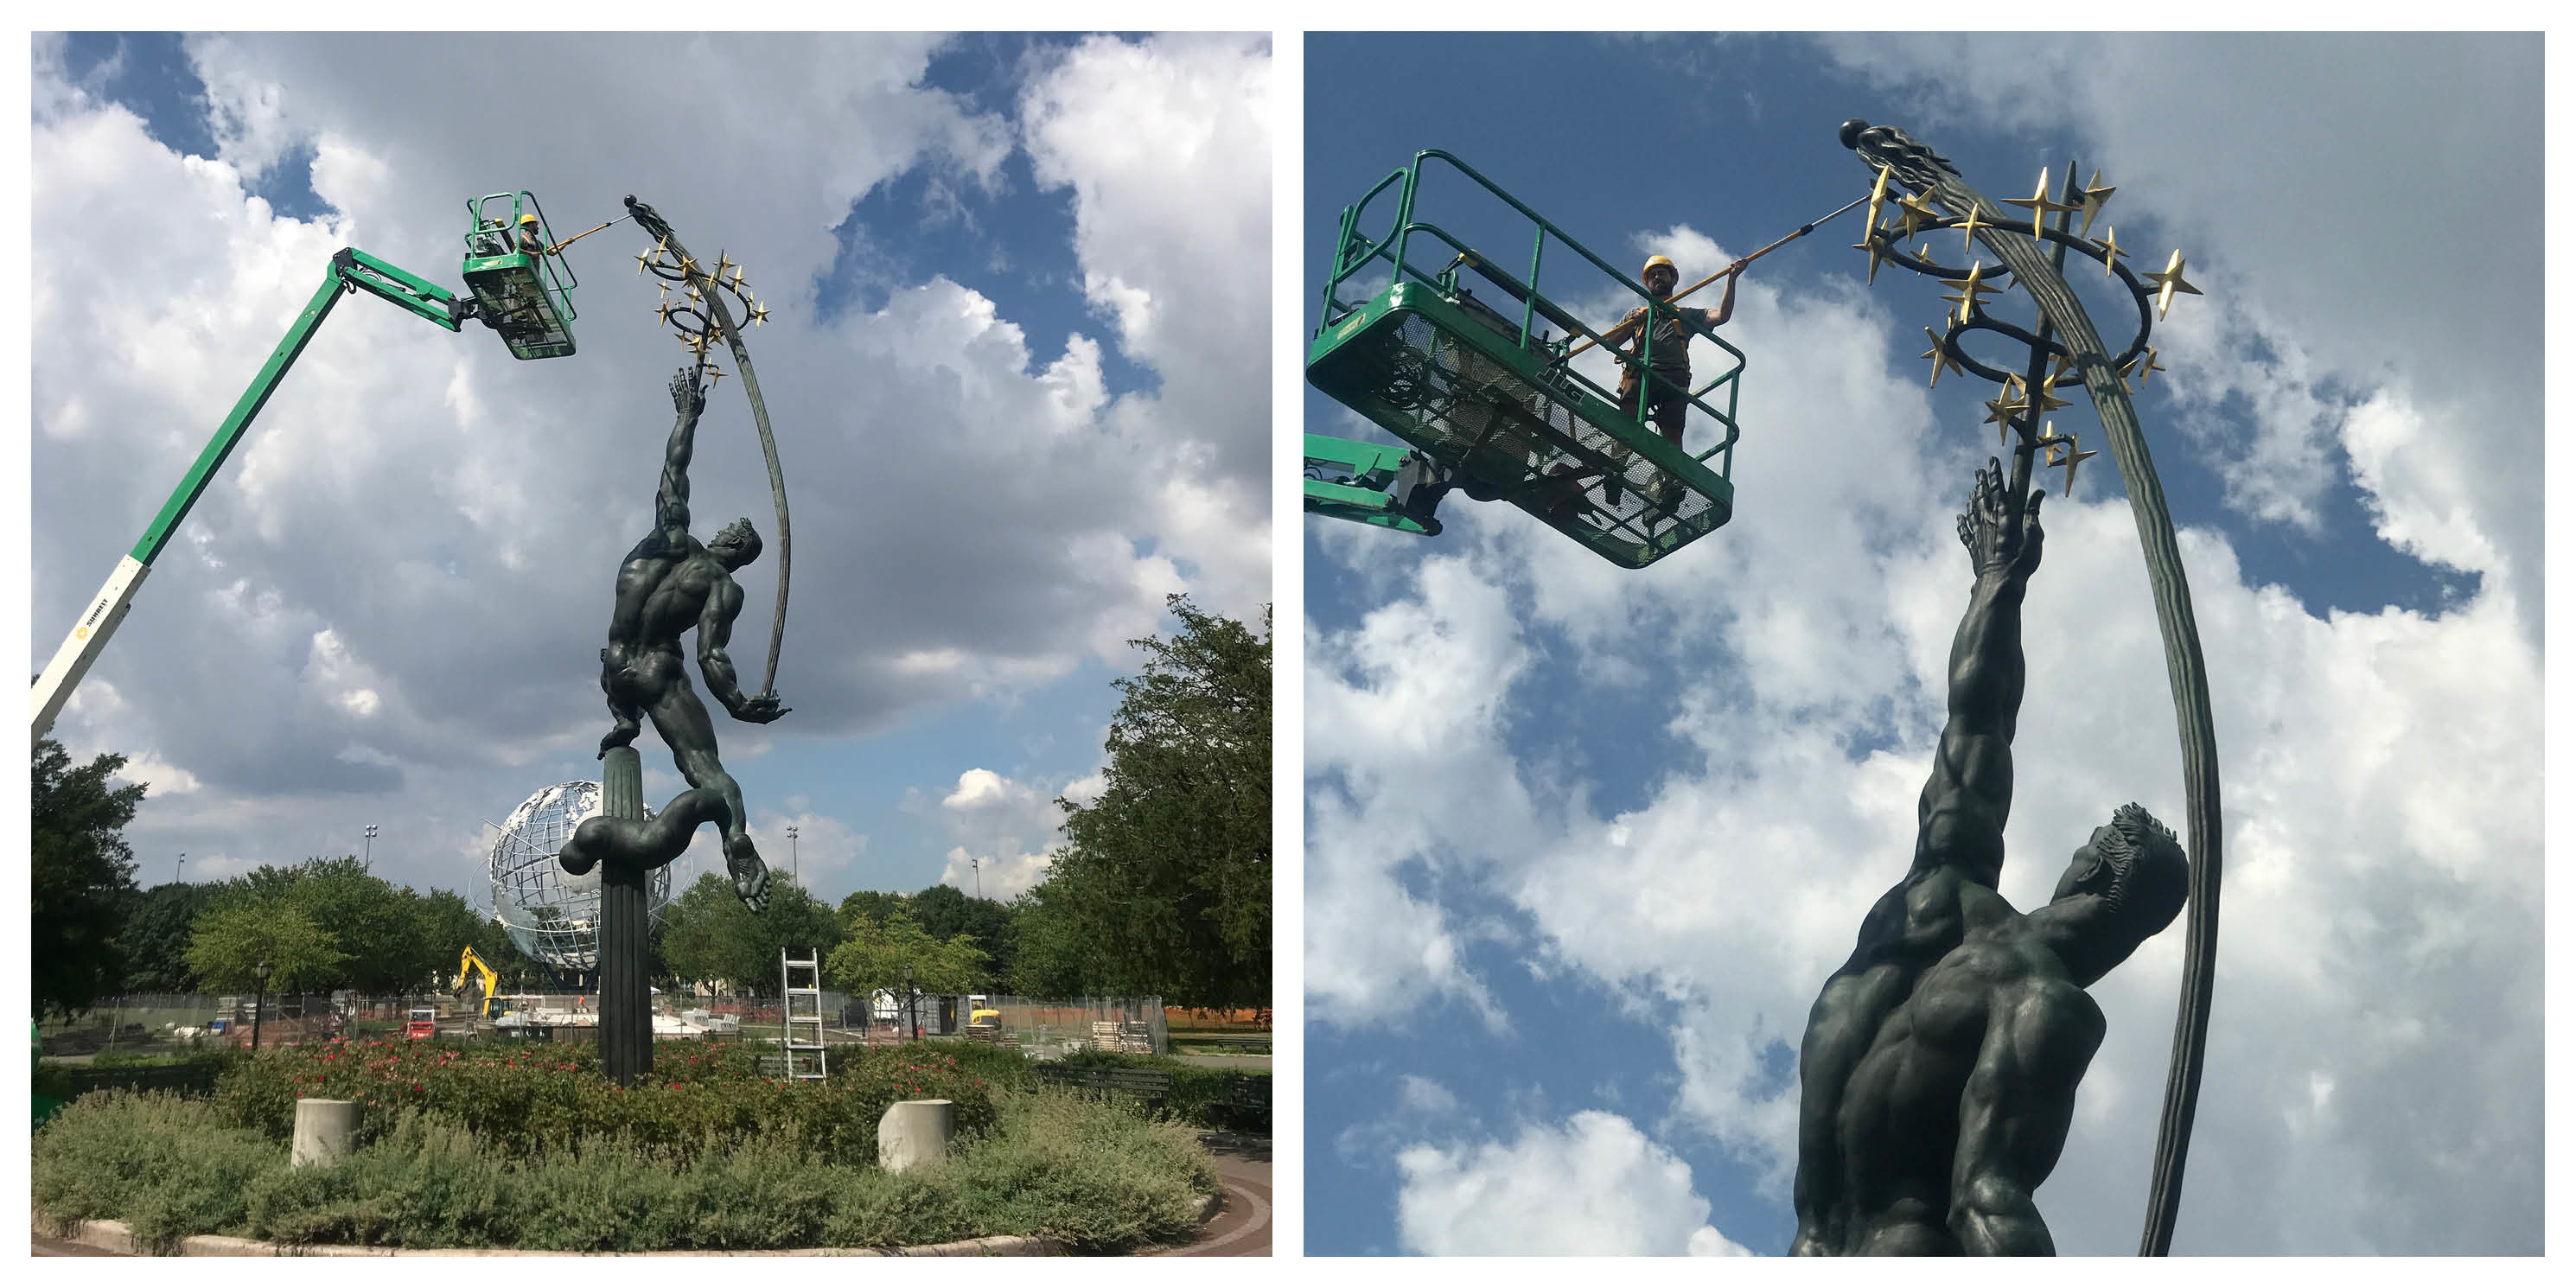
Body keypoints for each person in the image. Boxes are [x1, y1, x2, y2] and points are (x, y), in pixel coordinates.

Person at [1789, 462, 2188, 1257]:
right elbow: (1989, 1205)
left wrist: (1998, 579)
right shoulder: (2046, 1004)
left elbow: (1978, 722)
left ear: (2092, 874)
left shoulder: (1939, 903)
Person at [596, 368, 790, 914]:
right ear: (745, 557)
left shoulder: (672, 537)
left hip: (615, 667)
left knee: (619, 673)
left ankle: (623, 717)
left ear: (727, 539)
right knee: (710, 770)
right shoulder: (724, 590)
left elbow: (672, 473)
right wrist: (739, 704)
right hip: (659, 671)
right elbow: (710, 656)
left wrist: (687, 416)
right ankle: (735, 839)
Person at [1591, 254, 1745, 507]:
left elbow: (1722, 315)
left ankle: (1671, 482)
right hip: (1641, 372)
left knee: (1672, 431)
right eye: (1651, 275)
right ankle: (1615, 471)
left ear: (1673, 279)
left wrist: (1732, 279)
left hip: (1674, 377)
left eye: (1661, 273)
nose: (1656, 277)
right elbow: (1610, 343)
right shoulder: (1638, 314)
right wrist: (1633, 322)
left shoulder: (1686, 315)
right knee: (1627, 422)